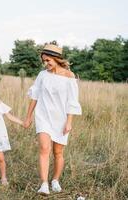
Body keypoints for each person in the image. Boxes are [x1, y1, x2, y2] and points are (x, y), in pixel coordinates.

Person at [23, 43, 82, 195]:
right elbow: (35, 96)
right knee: (44, 148)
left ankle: (55, 180)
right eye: (43, 61)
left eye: (48, 60)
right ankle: (44, 184)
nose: (45, 64)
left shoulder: (69, 77)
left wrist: (69, 121)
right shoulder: (42, 75)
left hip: (61, 118)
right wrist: (28, 117)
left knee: (58, 152)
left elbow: (72, 101)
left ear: (56, 59)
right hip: (43, 116)